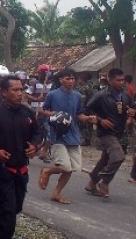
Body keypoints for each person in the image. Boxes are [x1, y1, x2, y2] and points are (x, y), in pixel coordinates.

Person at [0, 75, 40, 239]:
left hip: (21, 169)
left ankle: (2, 230)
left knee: (16, 207)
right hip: (1, 169)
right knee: (8, 208)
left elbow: (37, 133)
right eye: (15, 90)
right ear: (4, 92)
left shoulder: (27, 113)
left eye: (21, 89)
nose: (19, 93)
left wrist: (34, 146)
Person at [38, 69, 96, 204]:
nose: (71, 81)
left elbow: (78, 115)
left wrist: (88, 118)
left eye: (73, 79)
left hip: (73, 135)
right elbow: (42, 110)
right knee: (65, 167)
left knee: (73, 168)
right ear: (61, 80)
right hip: (58, 134)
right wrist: (55, 115)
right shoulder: (52, 95)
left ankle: (56, 193)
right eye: (68, 79)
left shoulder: (77, 96)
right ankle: (47, 170)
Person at [84, 68, 135, 198]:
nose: (121, 82)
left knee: (105, 160)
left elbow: (132, 108)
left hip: (119, 132)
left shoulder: (125, 95)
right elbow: (86, 110)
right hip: (106, 133)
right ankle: (105, 181)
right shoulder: (101, 95)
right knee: (118, 156)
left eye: (123, 80)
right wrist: (100, 120)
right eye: (118, 80)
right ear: (110, 80)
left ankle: (91, 184)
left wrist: (131, 115)